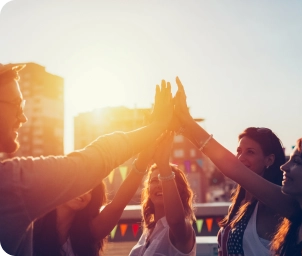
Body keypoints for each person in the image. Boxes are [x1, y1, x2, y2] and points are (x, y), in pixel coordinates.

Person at [0, 62, 173, 255]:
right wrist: (155, 128)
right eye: (16, 104)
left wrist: (144, 156)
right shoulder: (11, 185)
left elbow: (114, 200)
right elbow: (92, 161)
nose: (23, 117)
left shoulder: (81, 232)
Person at [173, 77, 302, 256]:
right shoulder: (297, 217)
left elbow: (232, 167)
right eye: (239, 151)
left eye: (297, 162)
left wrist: (188, 123)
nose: (285, 167)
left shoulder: (284, 206)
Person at [33, 130, 167, 256]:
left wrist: (143, 161)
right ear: (62, 182)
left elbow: (117, 205)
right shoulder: (32, 227)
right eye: (78, 184)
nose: (83, 192)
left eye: (90, 189)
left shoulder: (87, 233)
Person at [217, 127, 286, 256]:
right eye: (239, 151)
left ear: (269, 160)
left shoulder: (270, 206)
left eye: (250, 152)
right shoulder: (238, 204)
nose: (241, 158)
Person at [129, 131, 197, 256]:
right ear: (148, 190)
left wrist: (164, 164)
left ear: (179, 190)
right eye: (154, 181)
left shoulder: (183, 229)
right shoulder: (149, 231)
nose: (160, 184)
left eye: (164, 179)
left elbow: (175, 220)